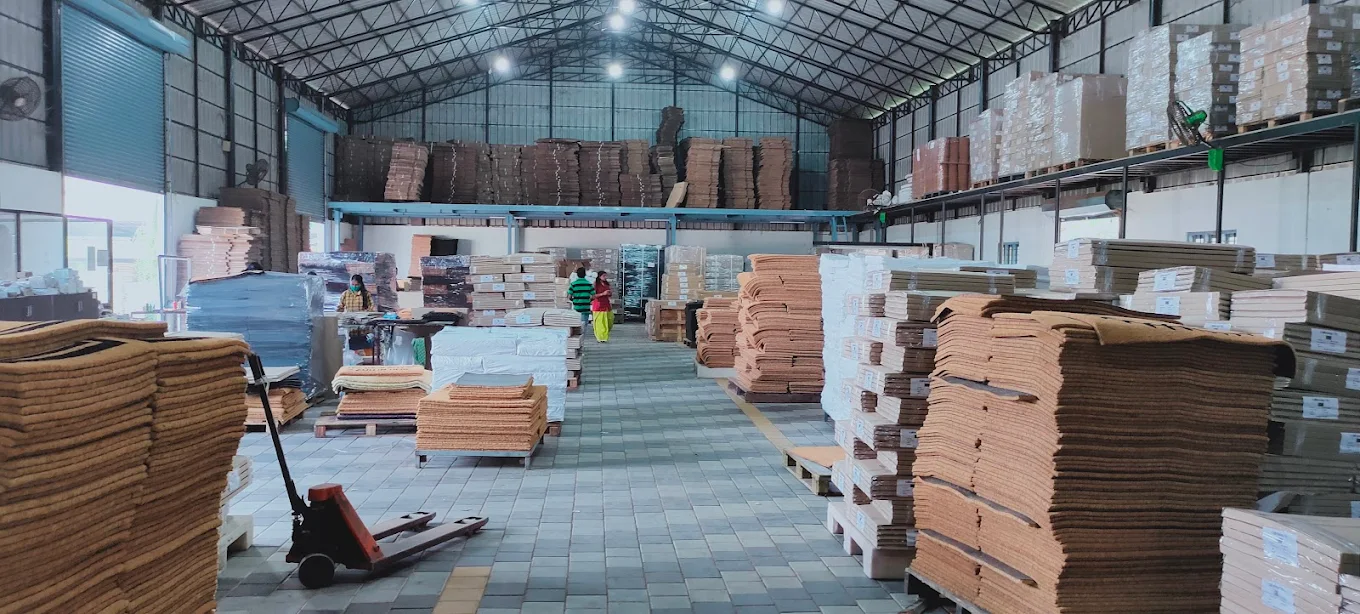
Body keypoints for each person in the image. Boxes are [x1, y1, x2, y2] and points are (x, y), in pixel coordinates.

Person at [591, 271, 614, 343]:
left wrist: (609, 293)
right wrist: (602, 294)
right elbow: (593, 296)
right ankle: (601, 338)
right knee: (600, 322)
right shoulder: (595, 284)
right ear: (599, 276)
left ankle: (604, 335)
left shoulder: (606, 284)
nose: (605, 277)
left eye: (605, 276)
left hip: (606, 304)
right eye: (604, 276)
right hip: (598, 305)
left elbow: (610, 294)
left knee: (610, 320)